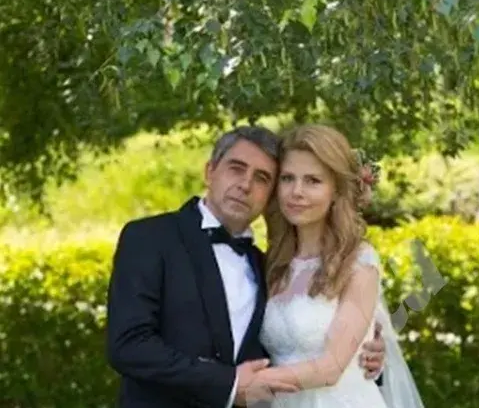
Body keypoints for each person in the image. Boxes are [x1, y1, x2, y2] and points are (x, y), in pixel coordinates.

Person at [106, 125, 385, 408]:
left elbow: (304, 352)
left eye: (262, 178)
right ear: (210, 172)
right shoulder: (150, 238)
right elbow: (129, 345)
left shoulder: (264, 264)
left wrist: (361, 353)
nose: (245, 185)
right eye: (236, 169)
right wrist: (230, 383)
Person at [256, 124, 426, 408]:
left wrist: (244, 383)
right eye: (287, 178)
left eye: (313, 181)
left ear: (336, 190)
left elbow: (331, 367)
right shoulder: (274, 262)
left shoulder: (358, 262)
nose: (296, 191)